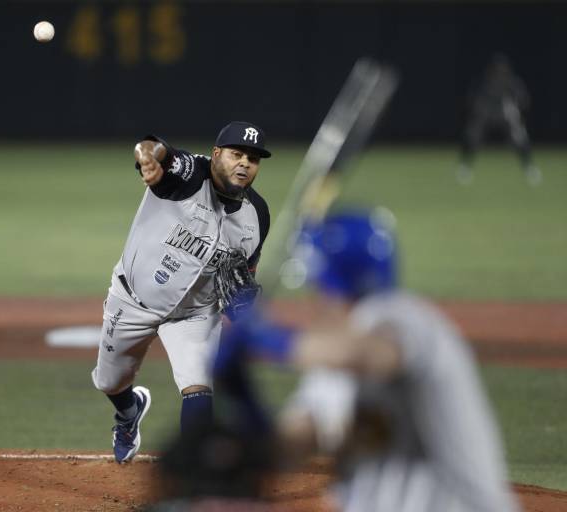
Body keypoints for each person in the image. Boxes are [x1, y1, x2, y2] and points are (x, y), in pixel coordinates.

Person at [214, 208, 520, 511]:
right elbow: (283, 452)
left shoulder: (404, 318)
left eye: (318, 287)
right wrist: (240, 392)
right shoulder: (331, 371)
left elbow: (370, 356)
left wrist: (272, 340)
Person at [91, 121, 272, 463]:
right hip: (133, 301)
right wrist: (148, 158)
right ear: (217, 154)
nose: (245, 163)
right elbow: (153, 147)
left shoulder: (256, 214)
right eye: (237, 154)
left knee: (199, 388)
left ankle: (194, 478)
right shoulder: (190, 176)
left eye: (253, 158)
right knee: (110, 381)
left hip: (196, 314)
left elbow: (246, 272)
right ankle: (129, 413)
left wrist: (244, 301)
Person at [457, 54, 541, 186]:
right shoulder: (484, 82)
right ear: (492, 70)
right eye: (497, 69)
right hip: (488, 113)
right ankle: (464, 167)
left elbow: (524, 100)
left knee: (519, 136)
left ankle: (529, 169)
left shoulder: (513, 82)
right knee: (473, 134)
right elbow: (473, 99)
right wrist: (480, 108)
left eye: (502, 69)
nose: (500, 72)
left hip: (505, 114)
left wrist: (516, 110)